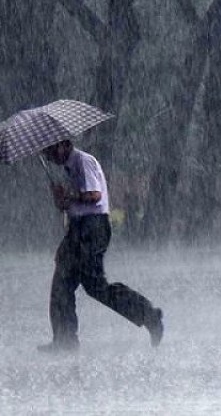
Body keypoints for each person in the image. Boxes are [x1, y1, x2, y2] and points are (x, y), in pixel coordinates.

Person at [38, 140, 164, 353]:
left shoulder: (83, 161)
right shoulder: (67, 168)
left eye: (50, 151)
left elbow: (94, 195)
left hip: (92, 228)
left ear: (63, 145)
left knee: (96, 286)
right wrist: (59, 198)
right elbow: (68, 204)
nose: (49, 157)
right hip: (78, 228)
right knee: (62, 284)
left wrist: (70, 195)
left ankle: (149, 315)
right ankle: (64, 340)